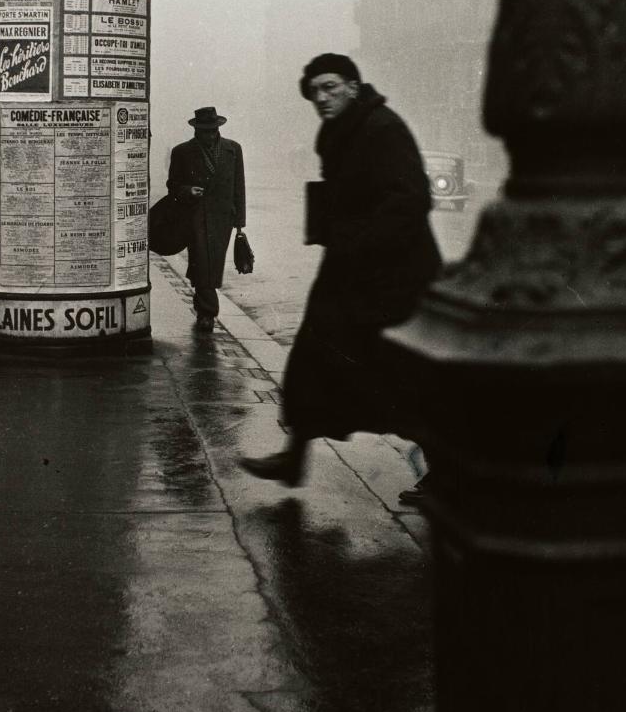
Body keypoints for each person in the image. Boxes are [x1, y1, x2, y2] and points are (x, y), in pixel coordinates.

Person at [240, 54, 440, 491]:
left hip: (394, 277)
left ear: (353, 85)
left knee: (398, 377)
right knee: (315, 361)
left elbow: (411, 199)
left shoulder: (382, 128)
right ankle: (294, 457)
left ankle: (445, 473)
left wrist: (358, 238)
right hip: (352, 271)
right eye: (315, 91)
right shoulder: (341, 131)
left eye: (330, 87)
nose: (322, 98)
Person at [167, 106, 246, 332]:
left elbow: (239, 187)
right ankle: (207, 313)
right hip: (195, 215)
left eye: (212, 130)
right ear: (196, 131)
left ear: (218, 128)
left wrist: (240, 222)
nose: (209, 135)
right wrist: (187, 190)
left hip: (223, 218)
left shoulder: (233, 149)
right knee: (203, 260)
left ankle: (202, 301)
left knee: (212, 262)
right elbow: (173, 185)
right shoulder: (182, 152)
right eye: (204, 131)